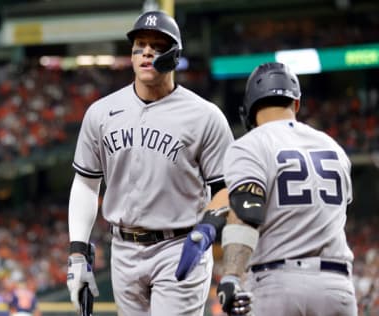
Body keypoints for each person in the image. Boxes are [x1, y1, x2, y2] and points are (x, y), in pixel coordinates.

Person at [66, 10, 235, 316]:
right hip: (123, 247)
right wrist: (77, 252)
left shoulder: (204, 116)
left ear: (174, 55)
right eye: (140, 44)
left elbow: (225, 188)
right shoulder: (101, 113)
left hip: (180, 245)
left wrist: (207, 229)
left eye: (157, 45)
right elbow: (86, 183)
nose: (146, 52)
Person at [216, 62, 358, 316]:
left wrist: (231, 276)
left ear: (249, 108)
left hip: (278, 284)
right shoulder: (334, 148)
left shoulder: (249, 145)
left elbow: (247, 211)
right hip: (337, 287)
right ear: (296, 104)